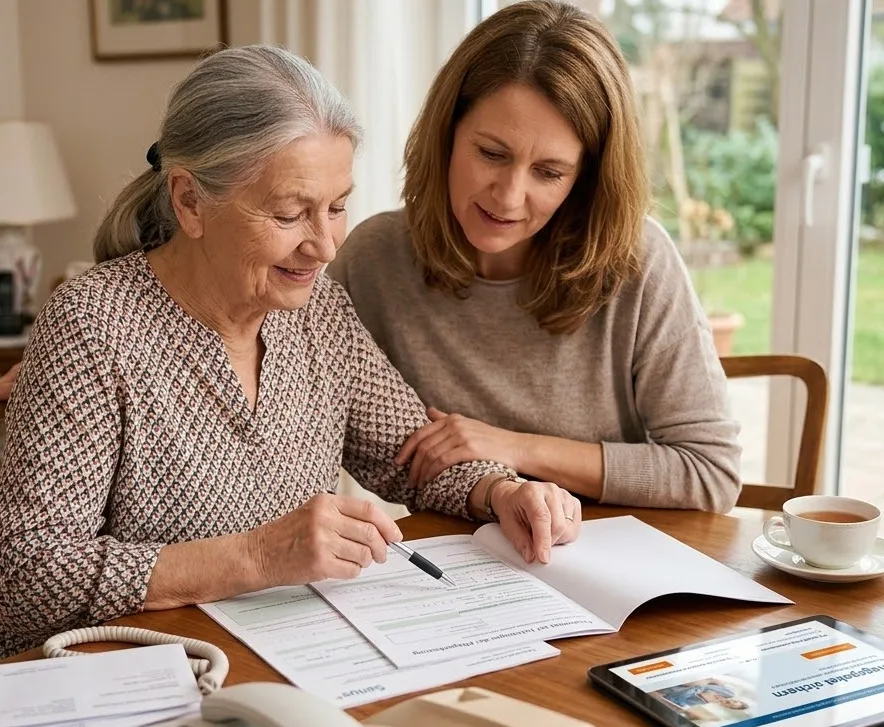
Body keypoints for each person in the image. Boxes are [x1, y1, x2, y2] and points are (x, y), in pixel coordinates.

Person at [0, 46, 581, 659]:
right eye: (289, 214)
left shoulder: (319, 312)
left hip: (293, 660)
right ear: (189, 202)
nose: (326, 246)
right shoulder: (92, 326)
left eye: (336, 207)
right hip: (134, 678)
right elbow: (25, 577)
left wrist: (501, 490)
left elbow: (411, 453)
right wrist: (255, 556)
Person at [327, 0, 741, 512]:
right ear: (448, 133)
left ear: (586, 179)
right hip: (458, 566)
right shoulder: (374, 259)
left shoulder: (637, 261)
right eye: (492, 154)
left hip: (608, 564)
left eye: (548, 172)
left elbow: (709, 473)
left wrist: (514, 446)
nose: (507, 196)